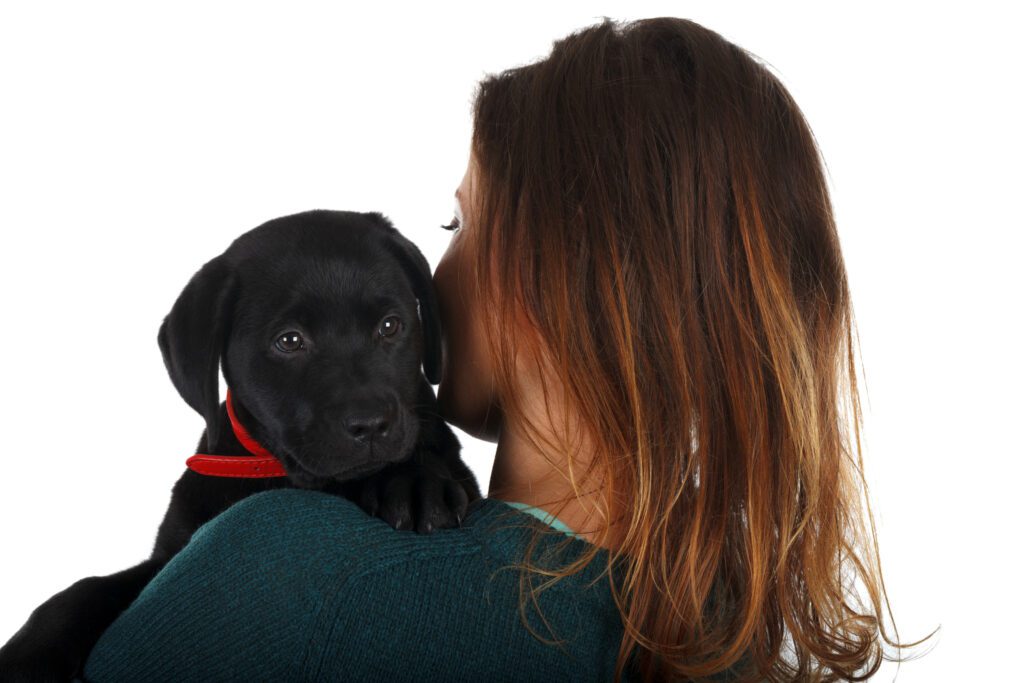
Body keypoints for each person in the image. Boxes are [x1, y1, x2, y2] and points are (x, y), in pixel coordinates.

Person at [82, 16, 929, 682]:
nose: (436, 269)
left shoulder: (293, 571)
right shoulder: (727, 630)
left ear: (551, 275)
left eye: (461, 221)